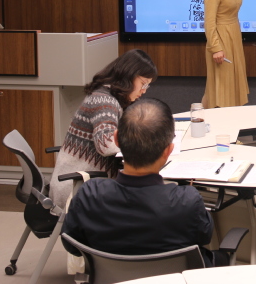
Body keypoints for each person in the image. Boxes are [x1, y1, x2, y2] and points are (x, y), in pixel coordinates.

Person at [61, 97, 229, 266]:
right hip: (174, 276)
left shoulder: (90, 194)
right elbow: (204, 236)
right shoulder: (187, 201)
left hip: (110, 277)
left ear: (116, 139)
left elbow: (72, 245)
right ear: (168, 151)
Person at [49, 49, 157, 207]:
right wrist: (142, 140)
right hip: (75, 190)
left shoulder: (106, 95)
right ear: (129, 75)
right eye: (143, 83)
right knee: (146, 201)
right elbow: (106, 145)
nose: (144, 90)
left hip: (82, 184)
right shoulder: (105, 101)